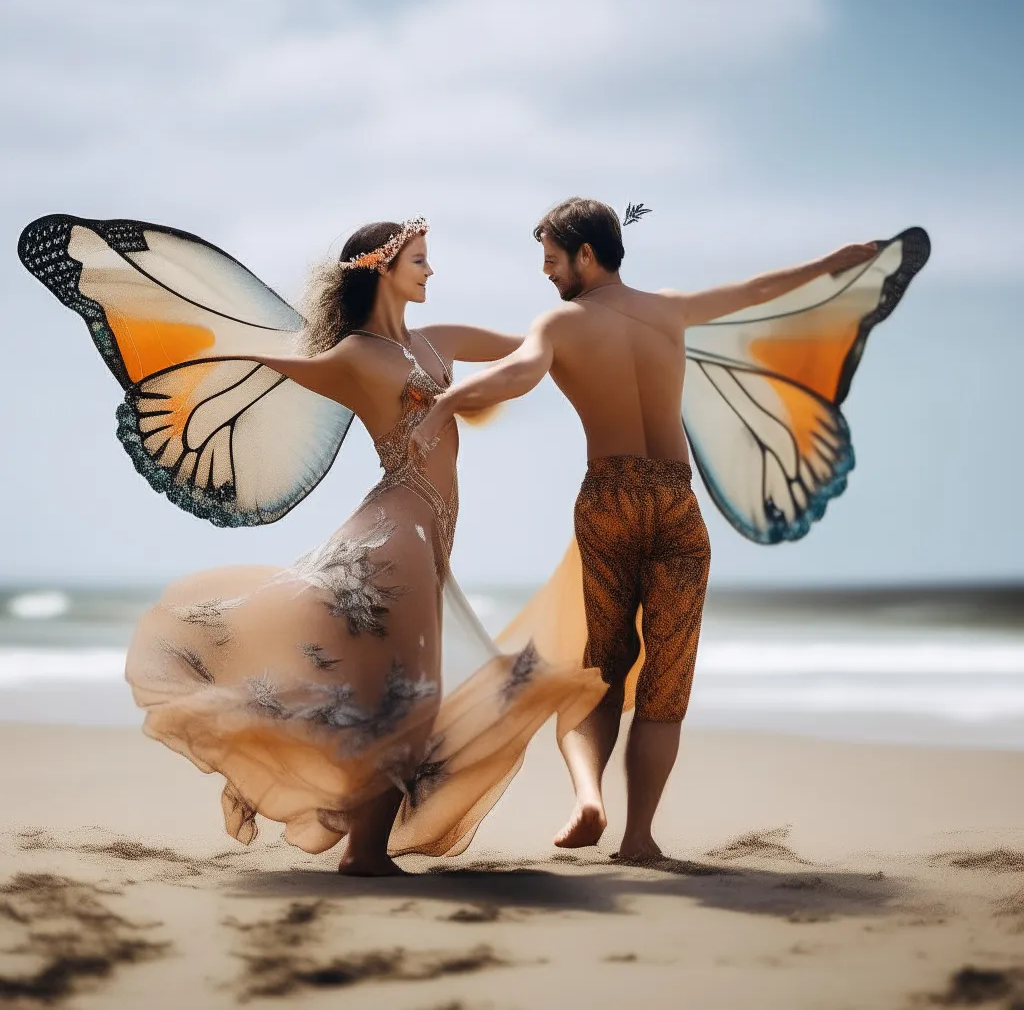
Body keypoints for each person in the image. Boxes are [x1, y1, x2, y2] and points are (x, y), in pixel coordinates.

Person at [18, 213, 606, 876]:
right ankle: (364, 852)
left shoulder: (439, 342)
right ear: (382, 268)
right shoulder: (355, 356)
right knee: (409, 690)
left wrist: (590, 311)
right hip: (398, 530)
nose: (431, 270)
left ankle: (364, 849)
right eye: (419, 259)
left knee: (393, 690)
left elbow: (533, 346)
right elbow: (281, 365)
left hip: (430, 530)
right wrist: (195, 362)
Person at [409, 197, 878, 862]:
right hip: (676, 504)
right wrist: (835, 262)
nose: (546, 274)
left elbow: (521, 373)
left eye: (551, 260)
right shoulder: (671, 310)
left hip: (609, 497)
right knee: (667, 682)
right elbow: (758, 289)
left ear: (586, 256)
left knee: (599, 667)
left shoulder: (563, 322)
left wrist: (451, 399)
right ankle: (639, 838)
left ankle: (588, 798)